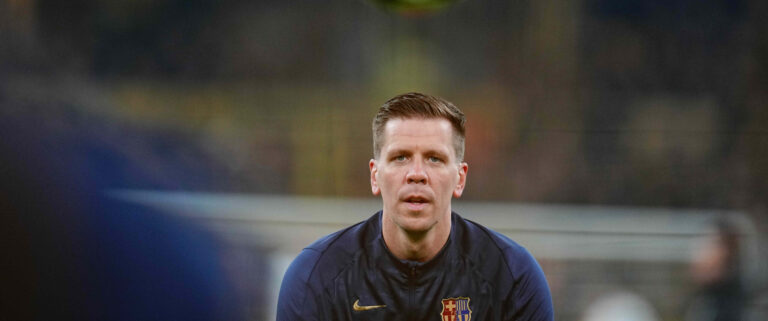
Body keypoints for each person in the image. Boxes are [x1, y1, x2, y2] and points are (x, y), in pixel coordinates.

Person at [277, 92, 554, 320]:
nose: (417, 173)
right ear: (375, 176)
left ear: (460, 178)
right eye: (400, 157)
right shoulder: (315, 277)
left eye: (434, 158)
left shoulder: (513, 278)